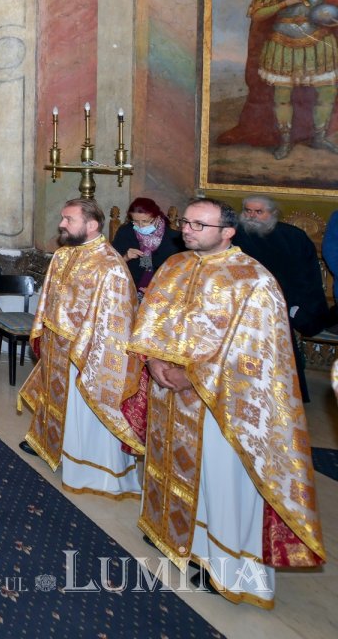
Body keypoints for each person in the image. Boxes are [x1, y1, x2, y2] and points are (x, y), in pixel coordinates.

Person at [127, 197, 325, 606]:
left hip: (222, 407)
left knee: (221, 483)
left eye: (200, 225)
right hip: (171, 397)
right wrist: (154, 360)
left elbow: (256, 356)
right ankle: (174, 536)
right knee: (174, 469)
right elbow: (152, 318)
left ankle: (229, 568)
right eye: (186, 223)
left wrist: (192, 375)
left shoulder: (253, 281)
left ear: (227, 232)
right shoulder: (175, 266)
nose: (188, 231)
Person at [18, 199, 143, 498]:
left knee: (81, 408)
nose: (61, 225)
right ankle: (49, 444)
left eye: (68, 220)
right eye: (63, 218)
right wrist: (43, 333)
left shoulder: (110, 266)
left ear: (91, 225)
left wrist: (87, 351)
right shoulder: (63, 256)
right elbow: (49, 299)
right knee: (55, 399)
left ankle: (87, 464)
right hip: (57, 346)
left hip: (86, 353)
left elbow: (115, 323)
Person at [218, 0, 338, 158]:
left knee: (327, 93)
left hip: (319, 43)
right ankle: (285, 140)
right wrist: (284, 3)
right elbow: (257, 14)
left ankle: (319, 137)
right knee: (282, 96)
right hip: (281, 42)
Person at [233, 194, 330, 401]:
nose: (251, 216)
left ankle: (281, 394)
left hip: (282, 304)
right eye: (247, 211)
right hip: (241, 304)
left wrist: (297, 307)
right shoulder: (233, 235)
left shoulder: (294, 237)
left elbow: (306, 276)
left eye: (258, 212)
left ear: (273, 213)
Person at [109, 197, 182, 299]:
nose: (140, 226)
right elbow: (110, 265)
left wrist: (159, 289)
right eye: (135, 221)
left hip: (163, 293)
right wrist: (125, 257)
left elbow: (181, 273)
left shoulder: (173, 237)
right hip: (130, 290)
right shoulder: (125, 232)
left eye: (145, 221)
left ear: (157, 218)